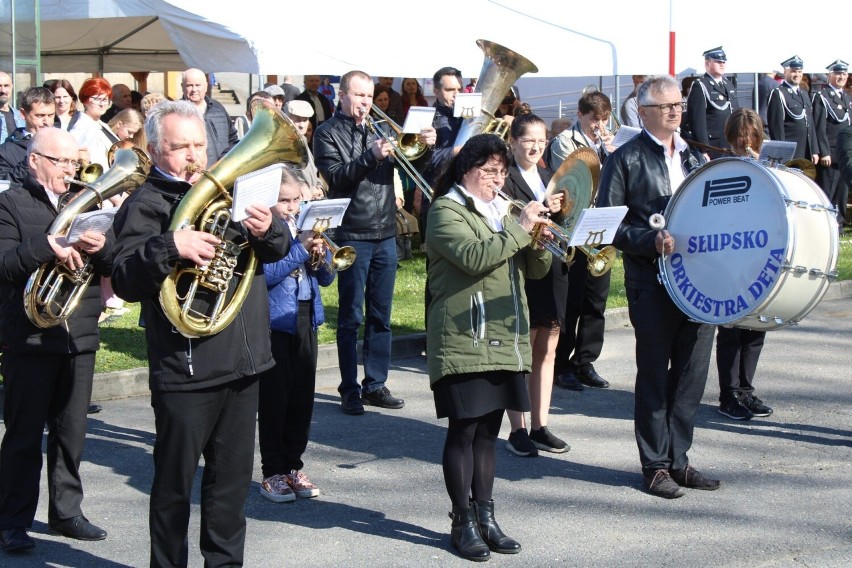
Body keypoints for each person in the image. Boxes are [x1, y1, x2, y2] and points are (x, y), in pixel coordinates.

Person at [110, 100, 289, 567]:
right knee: (173, 488)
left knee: (230, 489)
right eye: (180, 147)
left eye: (198, 145)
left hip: (244, 361)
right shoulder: (144, 204)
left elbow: (278, 248)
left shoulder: (230, 187)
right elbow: (126, 278)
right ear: (154, 148)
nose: (193, 157)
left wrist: (270, 227)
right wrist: (171, 245)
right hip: (185, 370)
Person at [426, 133, 550, 561]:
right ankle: (462, 521)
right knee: (464, 430)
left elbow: (533, 269)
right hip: (463, 336)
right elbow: (475, 257)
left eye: (502, 172)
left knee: (489, 433)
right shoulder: (446, 210)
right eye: (490, 172)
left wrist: (541, 240)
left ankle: (486, 517)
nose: (498, 180)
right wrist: (520, 229)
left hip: (503, 334)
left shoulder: (504, 211)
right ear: (467, 172)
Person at [596, 75, 718, 499]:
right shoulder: (625, 158)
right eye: (666, 106)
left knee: (691, 374)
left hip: (699, 282)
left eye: (679, 105)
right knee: (653, 375)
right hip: (652, 281)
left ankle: (679, 460)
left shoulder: (696, 158)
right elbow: (607, 225)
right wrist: (650, 241)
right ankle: (654, 466)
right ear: (644, 111)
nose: (675, 111)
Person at [0, 128, 111, 554]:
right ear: (34, 161)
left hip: (79, 332)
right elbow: (6, 263)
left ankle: (66, 512)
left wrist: (101, 247)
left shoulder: (84, 202)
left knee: (71, 432)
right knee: (24, 435)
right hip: (29, 337)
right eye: (61, 161)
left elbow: (112, 262)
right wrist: (49, 246)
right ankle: (12, 520)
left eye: (73, 161)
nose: (71, 169)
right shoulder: (9, 203)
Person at [313, 70, 435, 415]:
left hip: (385, 234)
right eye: (359, 95)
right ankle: (349, 387)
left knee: (381, 316)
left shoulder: (380, 128)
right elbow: (337, 177)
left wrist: (425, 145)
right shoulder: (327, 133)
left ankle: (376, 384)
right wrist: (372, 156)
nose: (366, 102)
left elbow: (413, 166)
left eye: (369, 96)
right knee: (351, 317)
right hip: (353, 233)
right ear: (342, 96)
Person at [258, 167, 332, 503]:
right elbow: (266, 276)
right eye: (284, 201)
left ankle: (293, 466)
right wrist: (301, 251)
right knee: (276, 399)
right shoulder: (263, 231)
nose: (291, 207)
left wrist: (322, 257)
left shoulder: (304, 226)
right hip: (274, 321)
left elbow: (328, 279)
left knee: (302, 397)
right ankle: (272, 470)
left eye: (296, 200)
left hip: (305, 317)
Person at [502, 114, 570, 457]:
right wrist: (543, 208)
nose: (535, 146)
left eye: (542, 141)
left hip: (553, 268)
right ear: (513, 141)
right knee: (523, 350)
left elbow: (562, 223)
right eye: (529, 140)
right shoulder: (504, 178)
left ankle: (541, 425)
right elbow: (508, 221)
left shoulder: (550, 176)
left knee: (548, 348)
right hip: (523, 269)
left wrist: (562, 211)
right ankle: (518, 428)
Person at [547, 91, 616, 392]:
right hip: (574, 225)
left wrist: (614, 153)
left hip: (601, 225)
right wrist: (603, 155)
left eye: (604, 119)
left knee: (596, 298)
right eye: (593, 120)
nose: (599, 126)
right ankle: (561, 364)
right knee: (571, 300)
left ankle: (585, 361)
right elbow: (577, 183)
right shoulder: (564, 142)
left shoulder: (612, 143)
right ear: (580, 115)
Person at [713, 108, 775, 421]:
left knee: (755, 326)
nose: (747, 146)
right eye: (741, 141)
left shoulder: (767, 167)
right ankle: (729, 394)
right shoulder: (721, 168)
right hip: (729, 258)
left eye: (752, 140)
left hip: (759, 255)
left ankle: (746, 390)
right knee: (731, 330)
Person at [812, 59, 852, 227]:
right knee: (827, 191)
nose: (841, 77)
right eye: (837, 73)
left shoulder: (846, 97)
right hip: (830, 153)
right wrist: (824, 151)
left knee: (842, 192)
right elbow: (819, 127)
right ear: (829, 75)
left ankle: (840, 224)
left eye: (843, 73)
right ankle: (826, 224)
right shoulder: (822, 96)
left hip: (844, 153)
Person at [683, 47, 738, 159]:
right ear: (707, 63)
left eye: (723, 62)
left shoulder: (728, 84)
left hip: (731, 143)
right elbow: (698, 121)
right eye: (718, 62)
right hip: (713, 146)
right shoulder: (701, 85)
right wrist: (704, 150)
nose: (722, 64)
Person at [0, 87, 57, 188]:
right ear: (22, 114)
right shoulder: (5, 151)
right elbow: (5, 187)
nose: (47, 122)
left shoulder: (62, 142)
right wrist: (29, 160)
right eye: (40, 116)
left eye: (51, 115)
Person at [767, 55, 819, 163]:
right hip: (791, 153)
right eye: (794, 71)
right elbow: (777, 128)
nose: (797, 75)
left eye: (800, 72)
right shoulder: (779, 94)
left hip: (807, 151)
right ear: (785, 72)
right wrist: (782, 154)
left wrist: (814, 150)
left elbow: (810, 124)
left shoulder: (804, 93)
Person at [181, 67, 238, 165]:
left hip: (222, 171)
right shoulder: (176, 112)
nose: (194, 89)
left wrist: (225, 160)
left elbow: (232, 138)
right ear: (182, 87)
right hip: (194, 174)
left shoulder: (218, 108)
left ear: (206, 86)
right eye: (189, 85)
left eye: (198, 85)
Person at [70, 77, 118, 171]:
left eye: (105, 100)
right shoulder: (81, 127)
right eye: (97, 99)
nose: (102, 104)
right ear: (85, 100)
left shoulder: (102, 125)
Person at [284, 99, 324, 200]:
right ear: (286, 119)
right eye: (297, 120)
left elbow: (312, 172)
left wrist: (320, 188)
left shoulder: (303, 140)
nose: (302, 125)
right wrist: (311, 190)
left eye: (305, 120)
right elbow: (286, 177)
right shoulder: (282, 144)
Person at [0, 71, 24, 144]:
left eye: (6, 85)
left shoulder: (20, 116)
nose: (3, 90)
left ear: (12, 87)